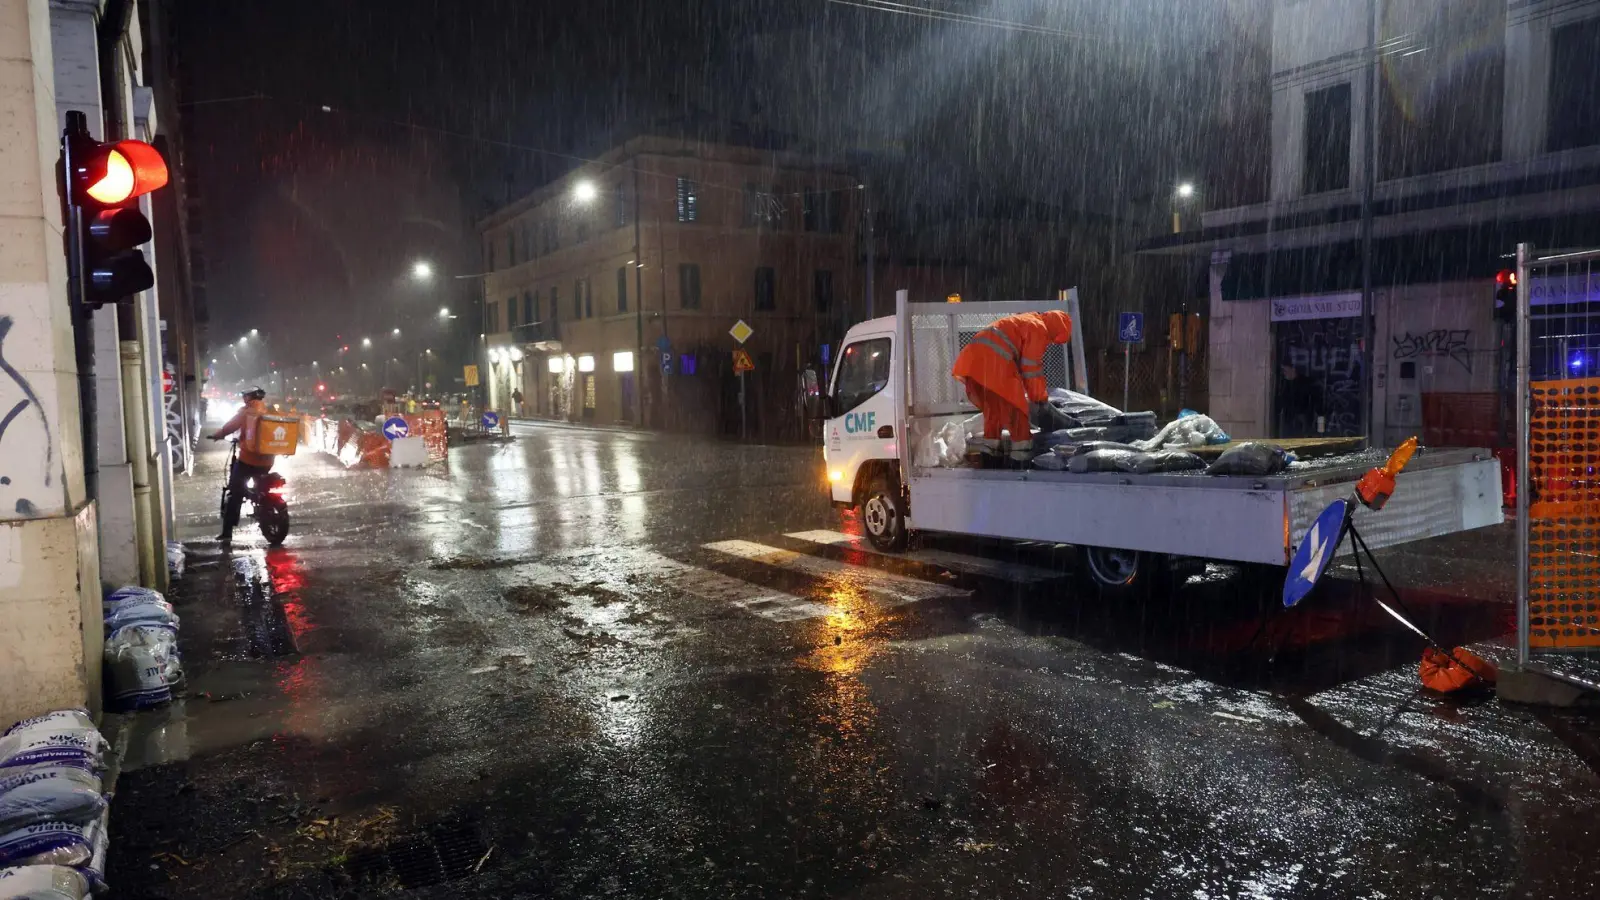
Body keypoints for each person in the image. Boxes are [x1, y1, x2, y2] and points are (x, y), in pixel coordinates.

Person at [951, 309, 1074, 462]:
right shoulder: (1038, 328)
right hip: (994, 363)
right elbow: (1031, 369)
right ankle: (1021, 460)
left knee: (994, 410)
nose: (1051, 341)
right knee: (1017, 412)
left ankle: (989, 454)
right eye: (1054, 337)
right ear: (1057, 327)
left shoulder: (1024, 321)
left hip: (971, 364)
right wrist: (1040, 399)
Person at [207, 386, 275, 543]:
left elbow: (230, 427)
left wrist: (218, 435)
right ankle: (262, 502)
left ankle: (227, 533)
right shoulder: (269, 412)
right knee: (262, 486)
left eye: (245, 396)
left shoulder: (246, 412)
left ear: (248, 398)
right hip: (268, 461)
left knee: (235, 493)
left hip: (248, 460)